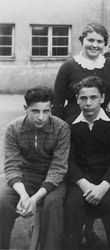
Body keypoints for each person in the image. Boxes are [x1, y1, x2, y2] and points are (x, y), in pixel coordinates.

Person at [63, 76, 110, 250]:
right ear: (77, 99)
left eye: (93, 97)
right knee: (73, 204)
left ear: (102, 98)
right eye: (83, 98)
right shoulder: (70, 125)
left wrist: (103, 186)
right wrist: (84, 184)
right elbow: (69, 160)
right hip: (81, 180)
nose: (88, 103)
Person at [0, 86, 70, 250]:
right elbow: (11, 166)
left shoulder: (61, 128)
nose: (41, 117)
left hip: (52, 180)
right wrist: (24, 195)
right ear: (26, 109)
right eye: (35, 111)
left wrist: (34, 199)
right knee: (2, 202)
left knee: (52, 205)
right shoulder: (13, 128)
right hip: (25, 177)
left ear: (51, 109)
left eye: (46, 111)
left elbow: (58, 168)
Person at [52, 23, 110, 120]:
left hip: (103, 122)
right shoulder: (68, 66)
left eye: (99, 41)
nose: (95, 45)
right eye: (90, 40)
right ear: (83, 40)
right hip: (73, 121)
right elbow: (58, 102)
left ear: (105, 43)